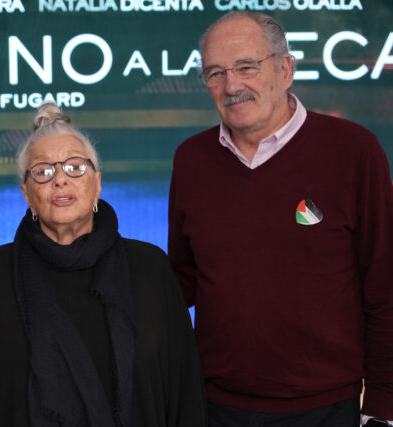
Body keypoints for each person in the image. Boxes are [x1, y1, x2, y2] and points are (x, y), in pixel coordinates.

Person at [168, 11, 393, 427]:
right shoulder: (190, 160)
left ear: (285, 69)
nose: (231, 86)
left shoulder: (355, 152)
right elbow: (182, 280)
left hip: (327, 410)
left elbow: (385, 286)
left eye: (247, 67)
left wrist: (383, 403)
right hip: (215, 407)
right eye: (215, 73)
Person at [0, 102, 207, 427]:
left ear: (98, 183)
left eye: (75, 167)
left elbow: (185, 388)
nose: (60, 180)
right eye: (43, 172)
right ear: (26, 194)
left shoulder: (149, 267)